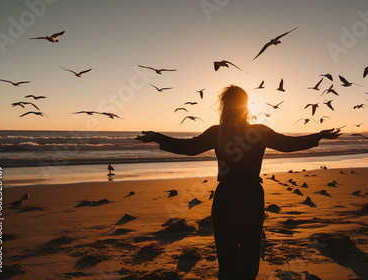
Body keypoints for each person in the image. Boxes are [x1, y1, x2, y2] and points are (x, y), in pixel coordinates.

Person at [135, 85, 340, 280]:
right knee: (249, 257)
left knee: (227, 259)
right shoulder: (258, 131)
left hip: (225, 198)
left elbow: (189, 147)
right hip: (252, 197)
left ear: (223, 106)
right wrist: (317, 136)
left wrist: (157, 137)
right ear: (246, 105)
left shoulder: (217, 132)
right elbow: (288, 144)